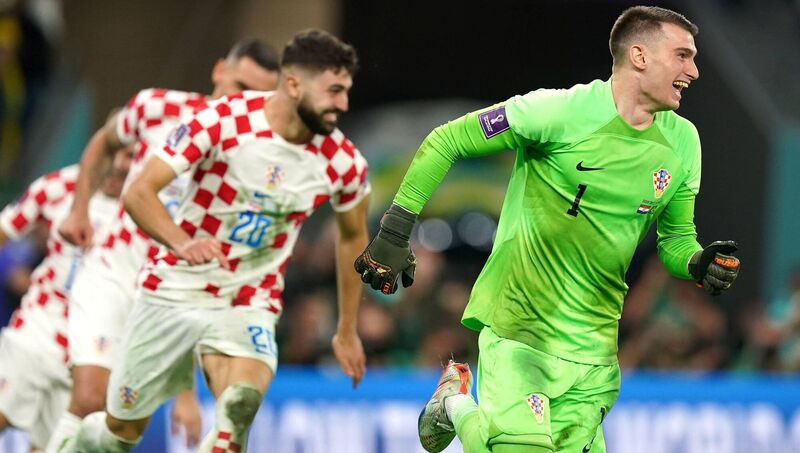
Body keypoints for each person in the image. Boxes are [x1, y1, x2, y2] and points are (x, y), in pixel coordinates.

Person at [356, 6, 742, 453]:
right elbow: (448, 139)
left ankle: (454, 405)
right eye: (682, 56)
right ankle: (461, 407)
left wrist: (697, 262)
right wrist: (395, 230)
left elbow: (675, 239)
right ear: (639, 55)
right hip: (522, 328)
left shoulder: (683, 142)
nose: (693, 71)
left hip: (595, 348)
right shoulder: (556, 112)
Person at [70, 29, 369, 452]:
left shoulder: (343, 163)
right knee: (120, 434)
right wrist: (181, 242)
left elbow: (352, 238)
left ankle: (226, 434)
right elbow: (139, 192)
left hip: (248, 296)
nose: (343, 104)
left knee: (238, 409)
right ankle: (82, 440)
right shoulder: (221, 120)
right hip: (173, 288)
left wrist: (346, 329)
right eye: (334, 91)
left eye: (346, 91)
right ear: (294, 83)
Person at [46, 38, 281, 452]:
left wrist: (185, 394)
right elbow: (105, 141)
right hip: (112, 273)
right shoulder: (157, 107)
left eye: (258, 96)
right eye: (240, 87)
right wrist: (79, 209)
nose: (244, 101)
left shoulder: (253, 156)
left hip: (169, 297)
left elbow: (208, 274)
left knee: (120, 431)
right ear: (217, 72)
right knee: (88, 397)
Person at [0, 146, 130, 451]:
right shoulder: (59, 186)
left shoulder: (143, 206)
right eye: (115, 153)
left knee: (51, 446)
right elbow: (5, 229)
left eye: (132, 155)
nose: (121, 165)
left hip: (89, 351)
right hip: (39, 326)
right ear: (100, 151)